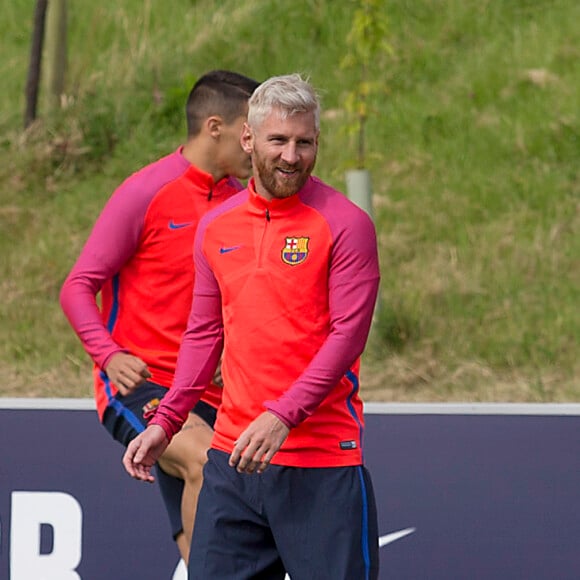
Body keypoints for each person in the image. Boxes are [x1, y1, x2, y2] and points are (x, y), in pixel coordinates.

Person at [123, 73, 381, 579]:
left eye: (304, 142)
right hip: (234, 464)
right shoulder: (216, 226)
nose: (291, 156)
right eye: (278, 140)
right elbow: (202, 335)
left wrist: (283, 415)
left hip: (322, 464)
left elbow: (347, 337)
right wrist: (167, 420)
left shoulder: (347, 224)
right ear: (248, 139)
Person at [60, 69, 260, 564]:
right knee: (203, 459)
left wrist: (234, 350)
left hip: (215, 394)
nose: (257, 147)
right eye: (248, 132)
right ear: (215, 127)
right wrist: (107, 356)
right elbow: (78, 286)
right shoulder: (146, 190)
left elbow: (247, 300)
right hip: (142, 386)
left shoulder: (245, 203)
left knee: (202, 545)